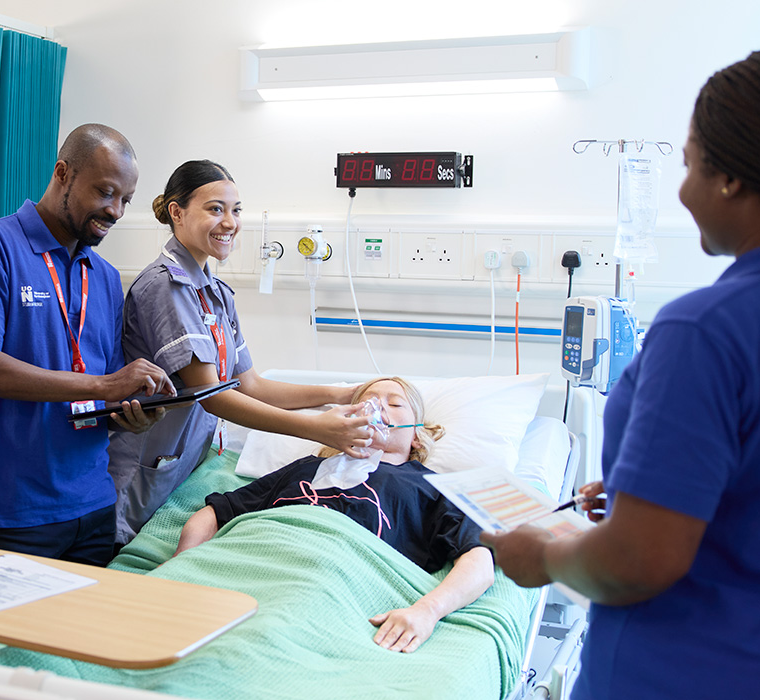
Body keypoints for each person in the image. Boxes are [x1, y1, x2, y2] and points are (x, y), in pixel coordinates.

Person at [481, 52, 760, 698]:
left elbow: (641, 559)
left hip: (686, 669)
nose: (683, 192)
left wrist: (541, 557)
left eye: (689, 165)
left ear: (732, 181)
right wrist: (653, 490)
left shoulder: (704, 331)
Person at [0, 124, 173, 567]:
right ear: (63, 173)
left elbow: (100, 393)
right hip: (10, 510)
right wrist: (103, 387)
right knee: (6, 639)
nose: (116, 210)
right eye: (105, 192)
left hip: (92, 504)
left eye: (126, 200)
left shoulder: (101, 277)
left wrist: (131, 413)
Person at [108, 160, 372, 544]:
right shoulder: (166, 288)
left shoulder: (214, 293)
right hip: (143, 474)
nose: (230, 222)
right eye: (215, 209)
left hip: (182, 471)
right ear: (176, 213)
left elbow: (250, 385)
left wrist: (340, 393)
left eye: (236, 210)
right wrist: (319, 427)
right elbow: (213, 397)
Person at [176, 377, 493, 653]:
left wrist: (427, 612)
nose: (376, 408)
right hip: (255, 561)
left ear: (416, 435)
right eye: (367, 401)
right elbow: (214, 513)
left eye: (394, 404)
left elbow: (480, 564)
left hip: (333, 584)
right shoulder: (305, 468)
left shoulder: (433, 487)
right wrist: (183, 565)